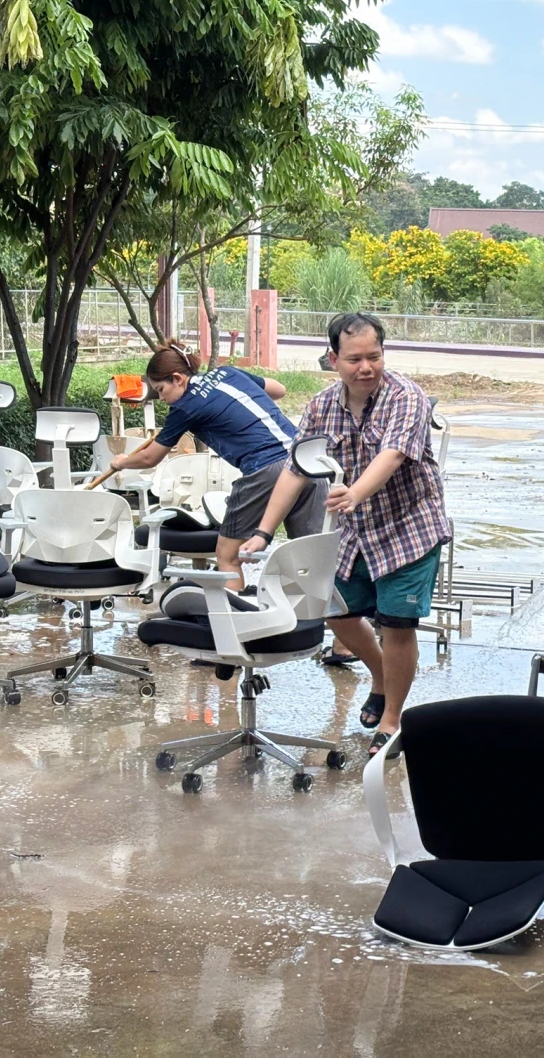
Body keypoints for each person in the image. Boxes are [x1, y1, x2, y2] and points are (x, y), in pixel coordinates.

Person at [242, 313, 451, 757]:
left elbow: (392, 455)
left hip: (409, 525)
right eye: (354, 359)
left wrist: (354, 492)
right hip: (353, 530)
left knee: (397, 623)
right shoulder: (321, 406)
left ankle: (392, 719)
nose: (366, 367)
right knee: (335, 611)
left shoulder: (405, 396)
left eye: (374, 356)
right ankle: (380, 674)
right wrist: (263, 531)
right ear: (333, 359)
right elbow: (297, 468)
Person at [108, 345, 326, 593]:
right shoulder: (229, 373)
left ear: (178, 379)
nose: (163, 398)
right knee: (310, 556)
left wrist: (121, 462)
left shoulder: (184, 407)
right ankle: (317, 625)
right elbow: (279, 389)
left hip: (266, 469)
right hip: (306, 461)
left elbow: (150, 458)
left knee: (227, 556)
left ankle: (234, 627)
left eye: (161, 390)